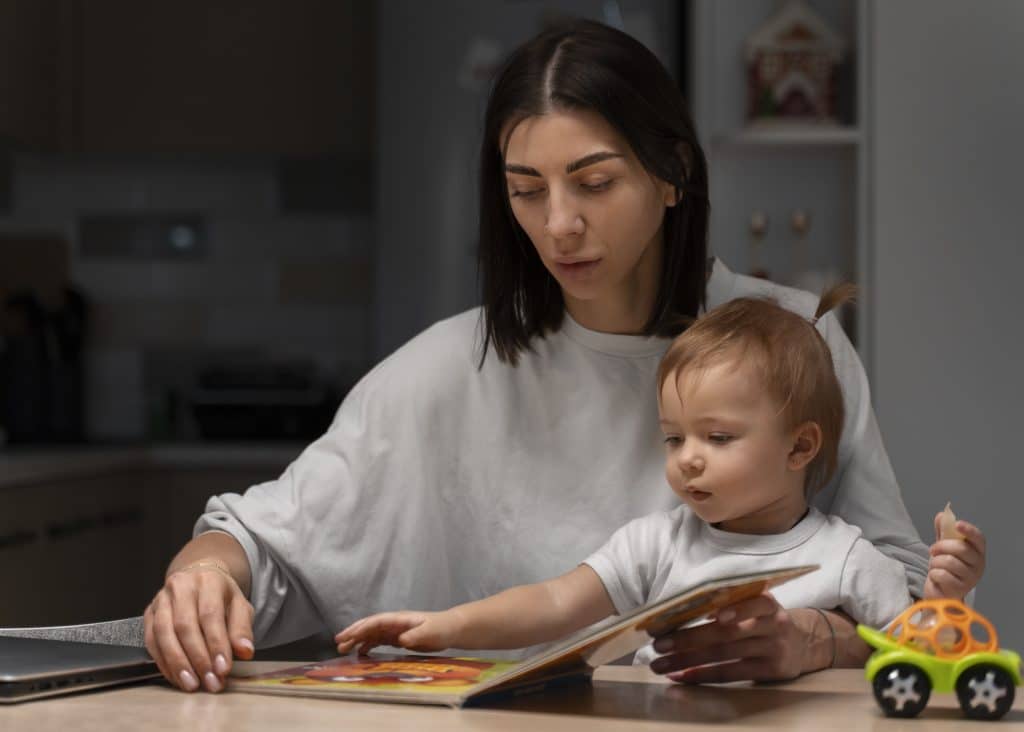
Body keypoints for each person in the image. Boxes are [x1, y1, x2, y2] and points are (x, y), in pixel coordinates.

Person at [143, 19, 933, 694]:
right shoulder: (447, 370)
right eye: (528, 190)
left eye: (593, 183)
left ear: (673, 175)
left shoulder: (798, 337)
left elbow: (908, 592)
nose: (560, 225)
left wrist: (816, 642)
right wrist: (202, 577)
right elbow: (259, 543)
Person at [333, 290, 987, 672]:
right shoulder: (656, 544)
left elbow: (920, 657)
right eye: (674, 438)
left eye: (718, 437)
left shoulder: (848, 560)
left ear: (800, 447)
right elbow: (554, 605)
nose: (687, 459)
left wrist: (951, 597)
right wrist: (444, 628)